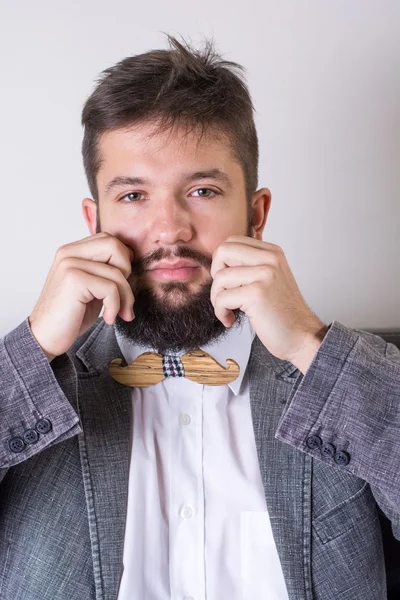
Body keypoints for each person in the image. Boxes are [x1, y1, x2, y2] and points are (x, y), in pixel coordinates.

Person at [0, 34, 399, 600]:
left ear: (256, 216)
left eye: (203, 189)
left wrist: (312, 347)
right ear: (94, 222)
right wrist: (34, 348)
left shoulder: (345, 382)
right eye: (134, 196)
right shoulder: (30, 391)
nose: (170, 230)